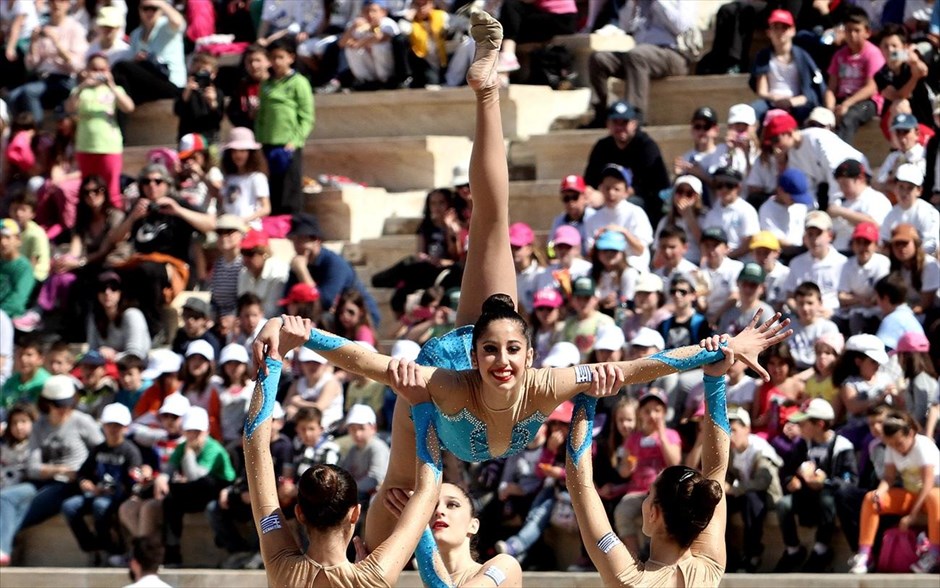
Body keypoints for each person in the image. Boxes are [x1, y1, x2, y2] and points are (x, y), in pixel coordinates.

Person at [255, 11, 791, 555]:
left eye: (514, 350)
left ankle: (485, 86)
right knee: (391, 512)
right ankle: (487, 91)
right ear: (480, 354)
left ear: (531, 354)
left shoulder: (543, 384)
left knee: (488, 218)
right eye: (494, 351)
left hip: (465, 365)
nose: (503, 360)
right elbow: (367, 362)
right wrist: (302, 335)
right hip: (441, 371)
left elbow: (641, 367)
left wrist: (721, 349)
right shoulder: (450, 384)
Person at [243, 337, 444, 585]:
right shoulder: (374, 575)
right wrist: (423, 405)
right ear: (355, 514)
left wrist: (273, 359)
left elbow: (255, 446)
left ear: (299, 512)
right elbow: (427, 491)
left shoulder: (280, 563)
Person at [562, 336, 736, 586]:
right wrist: (715, 377)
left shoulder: (631, 579)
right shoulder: (710, 566)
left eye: (648, 495)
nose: (644, 499)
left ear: (653, 513)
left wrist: (586, 398)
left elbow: (580, 488)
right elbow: (717, 469)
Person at [848, 410, 940, 574]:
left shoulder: (923, 445)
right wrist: (880, 491)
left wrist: (912, 516)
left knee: (933, 495)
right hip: (911, 495)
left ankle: (934, 553)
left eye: (899, 444)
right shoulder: (892, 447)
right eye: (891, 444)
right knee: (871, 499)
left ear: (911, 433)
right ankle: (865, 555)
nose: (896, 449)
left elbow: (927, 485)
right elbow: (889, 477)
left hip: (932, 497)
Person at [774, 398, 858, 573]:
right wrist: (792, 480)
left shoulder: (842, 446)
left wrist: (825, 482)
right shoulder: (802, 444)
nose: (799, 427)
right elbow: (788, 470)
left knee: (827, 500)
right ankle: (793, 549)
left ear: (819, 424)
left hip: (828, 498)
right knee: (783, 505)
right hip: (805, 497)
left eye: (803, 424)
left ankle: (821, 549)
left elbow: (850, 481)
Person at [385, 480, 523, 586]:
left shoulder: (505, 565)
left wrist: (419, 533)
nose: (439, 511)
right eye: (432, 506)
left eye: (452, 505)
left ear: (473, 525)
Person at [61, 403, 142, 564]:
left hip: (117, 496)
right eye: (109, 425)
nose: (113, 429)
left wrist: (108, 490)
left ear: (125, 428)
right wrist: (84, 482)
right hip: (96, 493)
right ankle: (91, 546)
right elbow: (83, 473)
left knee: (100, 506)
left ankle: (112, 549)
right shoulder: (98, 449)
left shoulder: (130, 451)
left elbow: (133, 481)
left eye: (117, 426)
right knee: (69, 506)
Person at [583, 101, 671, 228]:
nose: (620, 127)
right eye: (615, 122)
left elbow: (657, 185)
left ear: (634, 124)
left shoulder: (646, 147)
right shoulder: (602, 147)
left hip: (642, 204)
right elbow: (589, 181)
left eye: (624, 122)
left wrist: (608, 196)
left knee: (630, 204)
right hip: (607, 197)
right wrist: (591, 193)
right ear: (608, 124)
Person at [255, 37, 314, 216]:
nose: (277, 62)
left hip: (288, 143)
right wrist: (259, 141)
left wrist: (295, 140)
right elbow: (262, 114)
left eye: (281, 57)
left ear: (291, 58)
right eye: (273, 57)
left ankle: (290, 222)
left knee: (290, 187)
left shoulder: (299, 83)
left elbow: (307, 116)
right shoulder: (266, 85)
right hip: (268, 143)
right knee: (272, 186)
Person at [67, 53, 134, 208]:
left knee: (111, 188)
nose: (98, 72)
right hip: (85, 146)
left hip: (109, 146)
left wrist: (111, 84)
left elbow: (128, 107)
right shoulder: (80, 91)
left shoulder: (115, 90)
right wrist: (83, 84)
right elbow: (70, 108)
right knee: (87, 188)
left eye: (102, 69)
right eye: (94, 69)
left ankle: (114, 221)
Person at [6, 0, 87, 125]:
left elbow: (77, 66)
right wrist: (33, 43)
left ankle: (37, 132)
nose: (56, 5)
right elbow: (31, 66)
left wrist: (57, 44)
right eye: (52, 2)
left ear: (68, 4)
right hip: (41, 79)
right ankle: (17, 135)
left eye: (61, 1)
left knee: (29, 92)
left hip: (64, 80)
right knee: (12, 96)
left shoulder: (75, 29)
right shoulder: (43, 27)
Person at [724, 406, 783, 573]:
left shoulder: (761, 450)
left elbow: (762, 483)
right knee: (718, 501)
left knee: (751, 499)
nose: (730, 435)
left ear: (747, 428)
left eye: (734, 430)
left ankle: (752, 554)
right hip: (744, 494)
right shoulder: (732, 451)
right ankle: (727, 553)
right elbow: (727, 478)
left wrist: (733, 489)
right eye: (727, 430)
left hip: (767, 498)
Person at [748, 9, 824, 126]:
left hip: (797, 102)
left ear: (793, 31)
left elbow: (810, 91)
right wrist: (775, 98)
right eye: (775, 28)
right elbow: (762, 91)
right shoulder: (763, 55)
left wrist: (792, 101)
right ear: (769, 32)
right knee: (752, 111)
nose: (780, 32)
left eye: (784, 27)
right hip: (771, 101)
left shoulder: (802, 56)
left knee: (808, 113)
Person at [824, 7, 885, 142]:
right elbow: (831, 88)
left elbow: (871, 87)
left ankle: (841, 158)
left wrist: (846, 104)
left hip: (867, 101)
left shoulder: (872, 54)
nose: (852, 35)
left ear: (867, 32)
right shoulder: (839, 55)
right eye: (848, 30)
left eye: (857, 30)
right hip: (842, 98)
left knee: (849, 118)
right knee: (821, 118)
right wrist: (830, 109)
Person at [111, 0, 186, 104]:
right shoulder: (135, 34)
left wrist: (160, 3)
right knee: (119, 74)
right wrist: (138, 59)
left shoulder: (166, 25)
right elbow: (131, 61)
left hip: (171, 83)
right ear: (139, 10)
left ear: (160, 10)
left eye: (153, 8)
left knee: (120, 66)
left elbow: (178, 22)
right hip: (149, 84)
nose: (149, 12)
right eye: (145, 8)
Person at [0, 403, 38, 567]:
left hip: (30, 487)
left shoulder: (37, 443)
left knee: (6, 499)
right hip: (6, 487)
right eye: (14, 423)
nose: (19, 427)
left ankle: (3, 549)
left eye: (24, 421)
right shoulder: (5, 445)